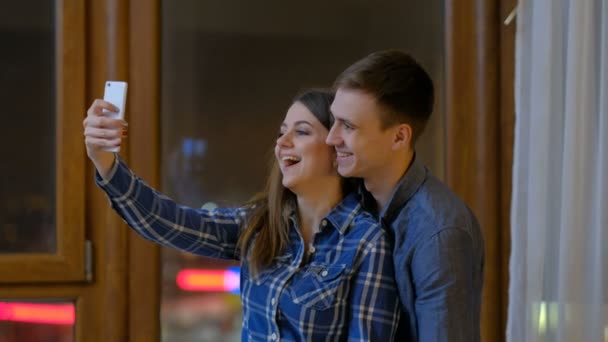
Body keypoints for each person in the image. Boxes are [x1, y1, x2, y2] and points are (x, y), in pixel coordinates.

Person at [84, 89, 401, 341]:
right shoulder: (261, 224)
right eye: (281, 132)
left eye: (301, 132)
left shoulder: (366, 242)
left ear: (336, 149)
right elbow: (168, 222)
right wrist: (105, 164)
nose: (282, 142)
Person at [326, 50, 485, 341]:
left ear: (399, 137)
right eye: (333, 121)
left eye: (348, 126)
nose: (331, 138)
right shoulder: (348, 202)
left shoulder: (440, 233)